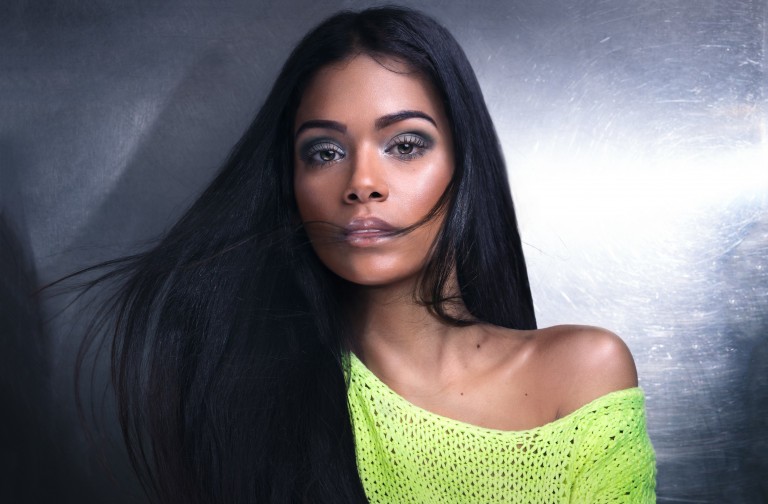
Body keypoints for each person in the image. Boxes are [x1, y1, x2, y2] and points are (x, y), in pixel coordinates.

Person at [75, 6, 656, 503]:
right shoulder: (254, 405)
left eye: (405, 144)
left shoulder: (582, 372)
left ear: (464, 166)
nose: (362, 182)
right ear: (292, 184)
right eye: (324, 152)